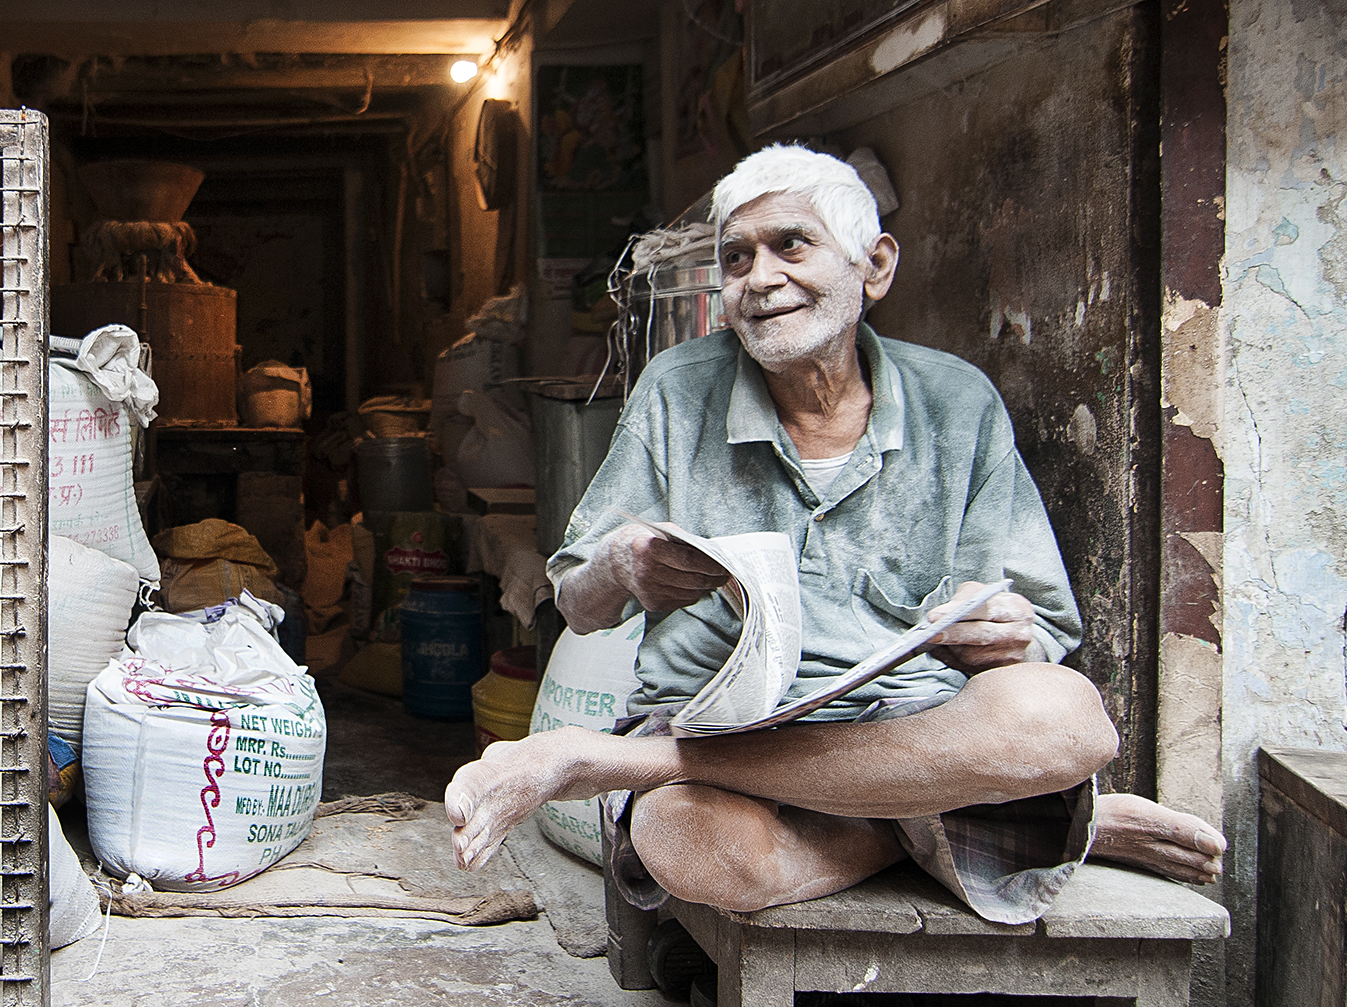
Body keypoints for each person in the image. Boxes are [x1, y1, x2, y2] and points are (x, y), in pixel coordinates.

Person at [444, 145, 1225, 923]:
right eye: (736, 257)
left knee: (1064, 716)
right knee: (682, 840)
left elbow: (1042, 628)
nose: (759, 278)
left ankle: (593, 760)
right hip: (720, 740)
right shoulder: (676, 389)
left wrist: (1002, 634)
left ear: (873, 266)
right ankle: (959, 825)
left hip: (913, 727)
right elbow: (577, 604)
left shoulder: (956, 402)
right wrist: (618, 563)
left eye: (790, 244)